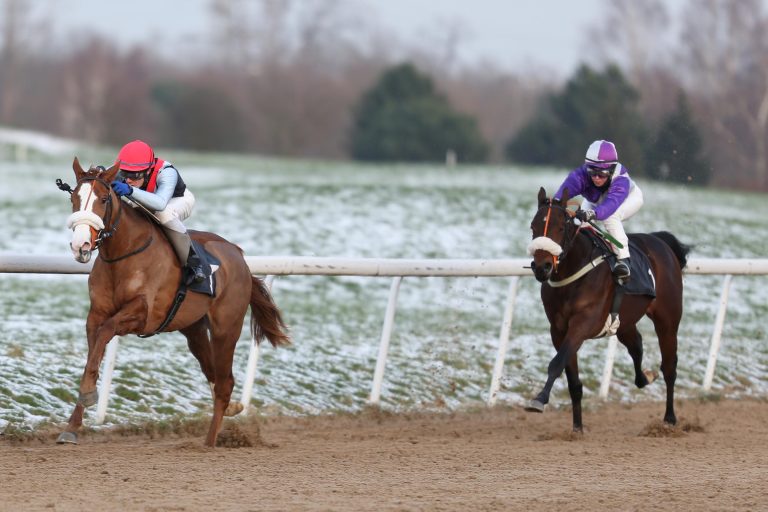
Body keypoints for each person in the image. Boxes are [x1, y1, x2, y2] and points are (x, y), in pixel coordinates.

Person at [110, 139, 206, 284]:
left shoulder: (167, 172)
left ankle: (193, 263)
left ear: (148, 170)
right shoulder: (127, 169)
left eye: (135, 176)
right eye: (125, 174)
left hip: (177, 200)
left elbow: (160, 204)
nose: (128, 179)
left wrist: (130, 190)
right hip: (150, 200)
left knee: (162, 214)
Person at [553, 139, 643, 280]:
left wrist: (593, 213)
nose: (596, 178)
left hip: (627, 200)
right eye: (592, 172)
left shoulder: (621, 179)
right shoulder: (581, 174)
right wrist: (555, 203)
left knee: (610, 218)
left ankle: (624, 261)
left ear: (612, 169)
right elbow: (564, 192)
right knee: (578, 223)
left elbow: (610, 206)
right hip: (596, 200)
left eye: (601, 174)